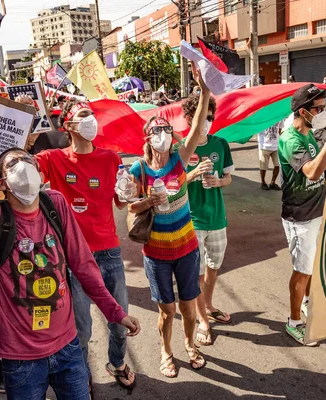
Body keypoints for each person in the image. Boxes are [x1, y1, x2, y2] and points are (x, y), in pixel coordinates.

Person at [0, 27, 140, 400]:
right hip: (21, 360)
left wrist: (115, 312)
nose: (22, 165)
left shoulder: (55, 204)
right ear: (1, 185)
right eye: (11, 165)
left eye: (26, 158)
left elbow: (84, 265)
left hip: (69, 349)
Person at [34, 98, 136, 391]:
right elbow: (22, 166)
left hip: (109, 253)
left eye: (92, 114)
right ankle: (81, 375)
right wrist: (25, 137)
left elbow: (122, 199)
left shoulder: (111, 158)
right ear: (69, 125)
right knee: (81, 328)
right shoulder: (54, 158)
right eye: (83, 115)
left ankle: (116, 362)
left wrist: (129, 190)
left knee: (118, 320)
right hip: (73, 258)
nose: (91, 119)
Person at [127, 63, 209, 378]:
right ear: (147, 138)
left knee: (189, 308)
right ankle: (166, 351)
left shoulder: (179, 159)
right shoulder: (139, 170)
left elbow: (199, 121)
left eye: (166, 130)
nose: (164, 135)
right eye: (157, 131)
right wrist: (148, 200)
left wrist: (203, 91)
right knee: (167, 311)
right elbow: (129, 207)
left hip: (187, 248)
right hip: (157, 254)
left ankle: (190, 346)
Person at [278, 83, 326, 345]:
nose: (322, 112)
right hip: (300, 215)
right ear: (304, 111)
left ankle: (307, 301)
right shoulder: (290, 139)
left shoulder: (311, 133)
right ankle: (294, 321)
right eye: (318, 108)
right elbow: (313, 172)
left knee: (313, 264)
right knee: (302, 270)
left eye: (324, 107)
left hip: (316, 211)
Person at [182, 93, 234, 346]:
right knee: (197, 274)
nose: (208, 121)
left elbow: (228, 178)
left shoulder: (221, 144)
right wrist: (192, 174)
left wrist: (218, 181)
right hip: (192, 221)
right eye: (203, 116)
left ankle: (209, 305)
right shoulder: (181, 147)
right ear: (190, 118)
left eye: (211, 117)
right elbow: (172, 185)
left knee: (213, 269)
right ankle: (203, 320)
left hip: (217, 219)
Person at [258, 121, 283, 190]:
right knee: (263, 166)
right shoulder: (263, 117)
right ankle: (263, 182)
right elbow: (256, 127)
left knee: (278, 165)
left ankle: (273, 183)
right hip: (264, 146)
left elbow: (279, 130)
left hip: (276, 146)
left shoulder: (280, 118)